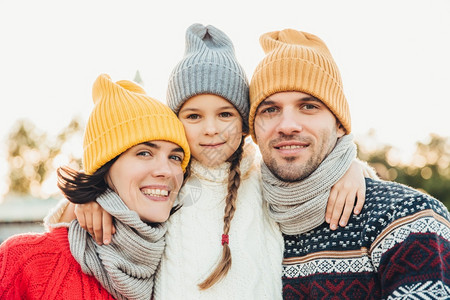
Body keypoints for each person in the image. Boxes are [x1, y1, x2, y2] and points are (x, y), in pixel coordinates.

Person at [44, 24, 376, 299]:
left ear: (245, 122)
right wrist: (87, 201)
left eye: (225, 114)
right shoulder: (168, 183)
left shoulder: (262, 176)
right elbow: (111, 205)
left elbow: (312, 178)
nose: (211, 129)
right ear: (175, 123)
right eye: (193, 116)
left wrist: (350, 168)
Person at [248, 28, 450, 299]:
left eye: (308, 106)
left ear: (340, 124)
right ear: (252, 129)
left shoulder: (406, 219)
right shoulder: (241, 223)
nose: (287, 126)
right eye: (270, 109)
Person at [0, 73, 190, 300]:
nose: (166, 171)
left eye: (175, 157)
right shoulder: (24, 260)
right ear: (105, 166)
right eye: (144, 153)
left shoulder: (183, 258)